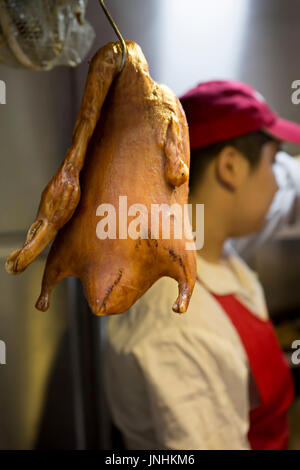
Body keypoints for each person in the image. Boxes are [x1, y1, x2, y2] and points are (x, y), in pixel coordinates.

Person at [103, 80, 300, 450]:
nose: (278, 185)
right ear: (230, 167)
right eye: (273, 162)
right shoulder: (180, 326)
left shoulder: (212, 250)